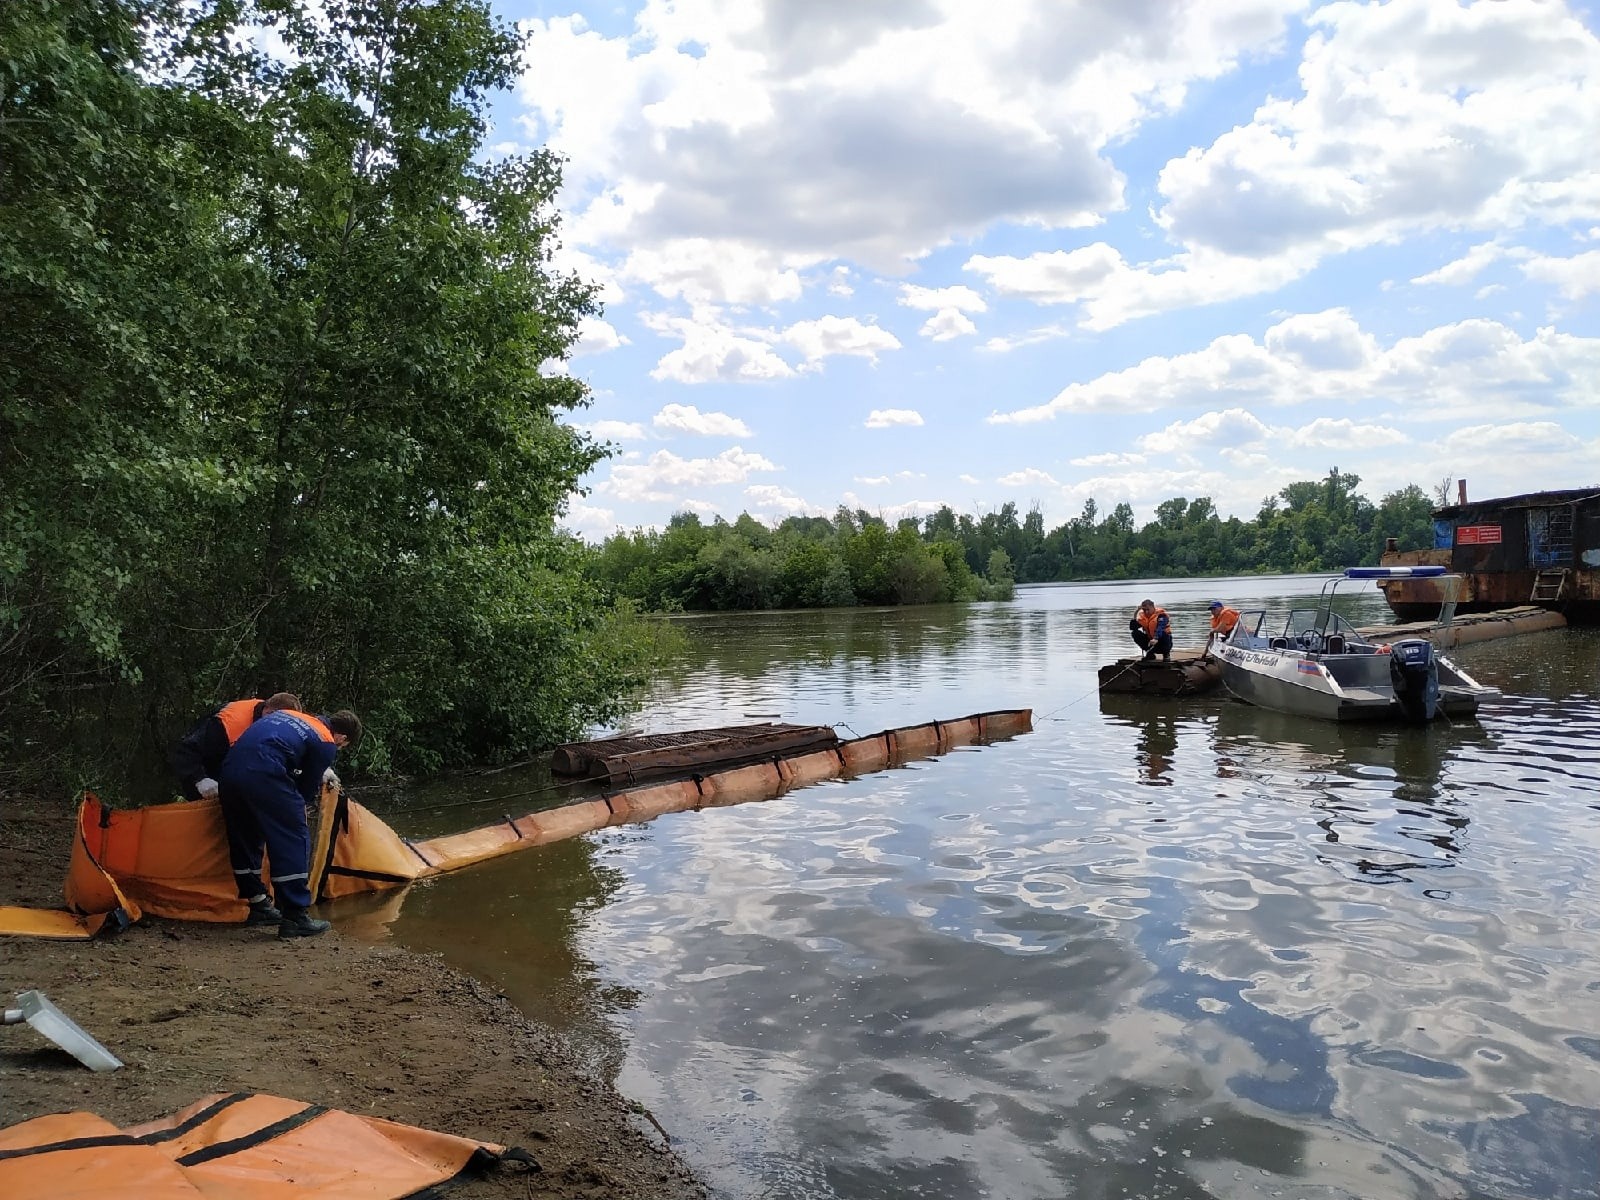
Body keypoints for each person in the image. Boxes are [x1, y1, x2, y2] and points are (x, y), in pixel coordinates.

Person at [218, 706, 361, 938]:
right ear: (342, 737)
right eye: (342, 746)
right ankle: (295, 916)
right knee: (293, 836)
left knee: (245, 836)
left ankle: (259, 904)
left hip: (229, 774)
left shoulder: (290, 716)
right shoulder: (325, 741)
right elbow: (306, 786)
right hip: (265, 773)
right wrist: (297, 809)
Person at [170, 692, 301, 801]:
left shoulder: (276, 723)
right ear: (269, 712)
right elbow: (186, 750)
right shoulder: (228, 723)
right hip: (208, 781)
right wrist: (199, 779)